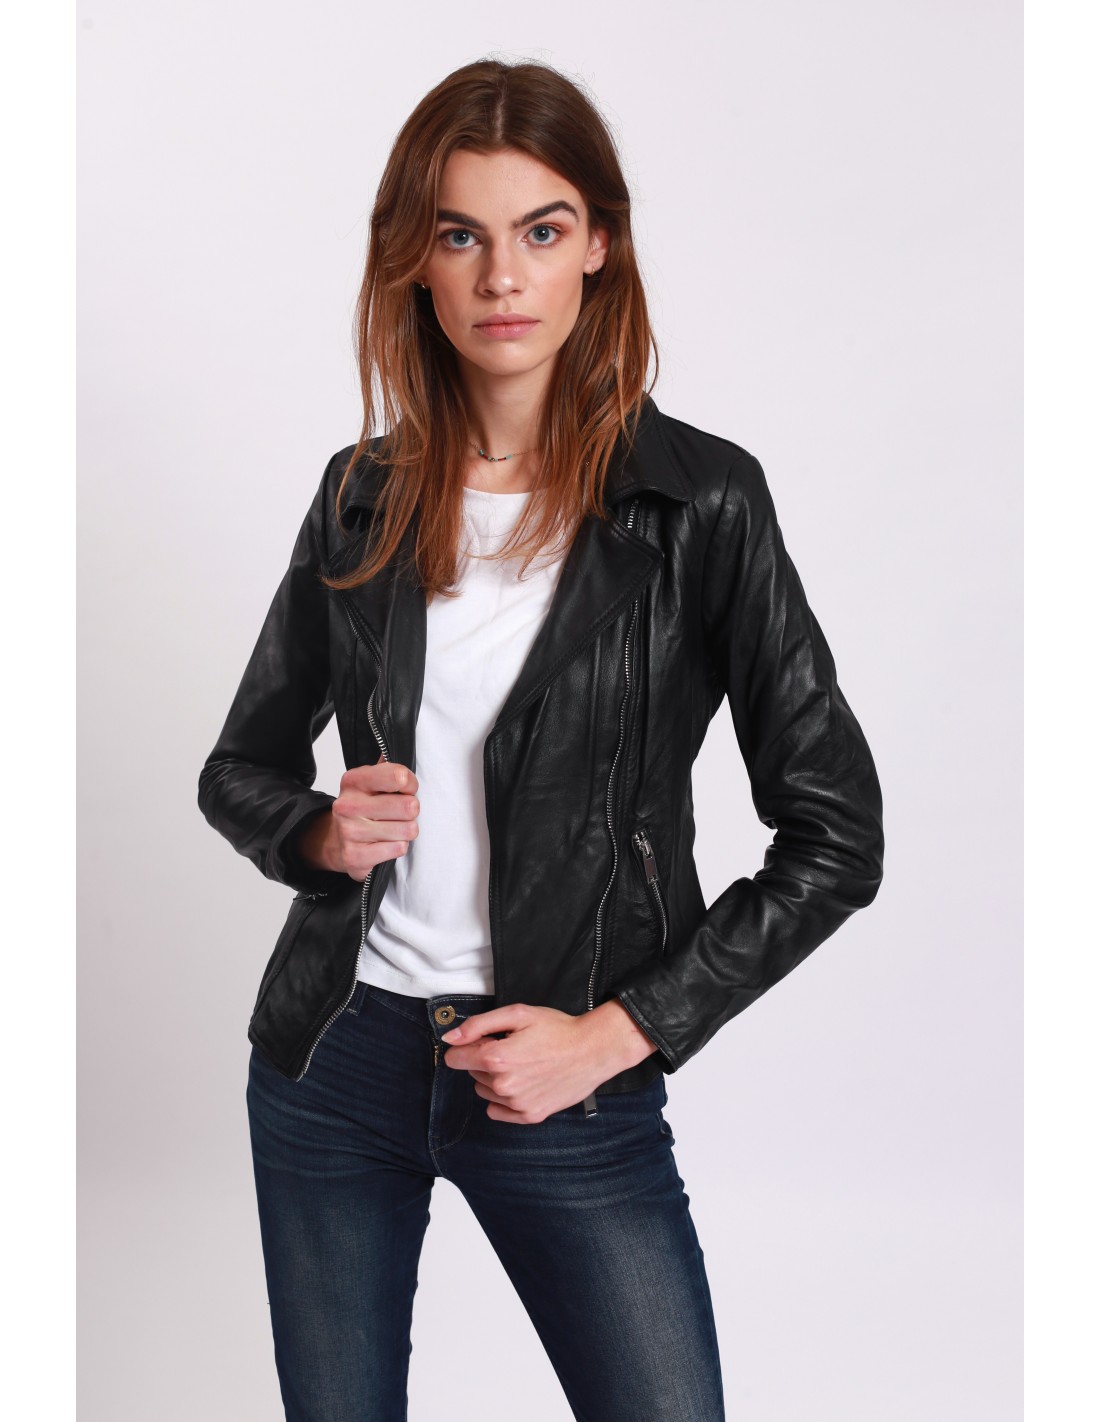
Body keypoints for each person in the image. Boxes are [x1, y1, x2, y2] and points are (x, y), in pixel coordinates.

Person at [198, 56, 885, 1422]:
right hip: (335, 1061)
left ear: (599, 246)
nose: (502, 275)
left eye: (542, 229)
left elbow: (837, 835)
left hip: (562, 1078)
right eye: (461, 234)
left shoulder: (700, 505)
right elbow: (239, 770)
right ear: (417, 261)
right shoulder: (363, 494)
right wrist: (317, 831)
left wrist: (622, 1032)